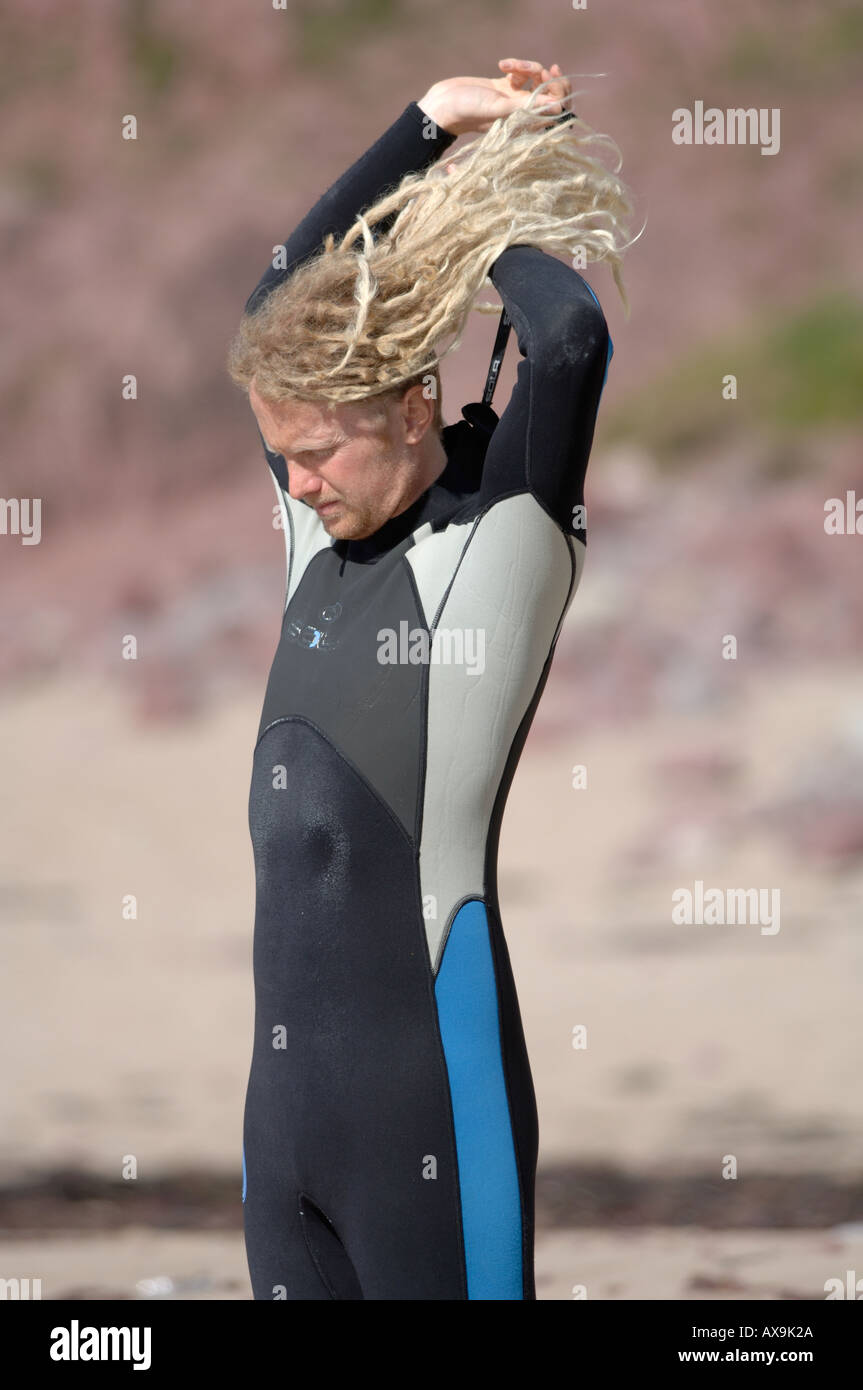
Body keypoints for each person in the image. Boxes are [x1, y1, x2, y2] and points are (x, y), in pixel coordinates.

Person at [227, 58, 635, 1300]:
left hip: (429, 1121)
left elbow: (565, 339)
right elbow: (278, 300)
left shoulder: (503, 531)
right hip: (280, 1130)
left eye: (316, 451)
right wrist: (429, 128)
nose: (292, 483)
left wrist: (485, 198)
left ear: (412, 405)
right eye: (280, 454)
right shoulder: (316, 528)